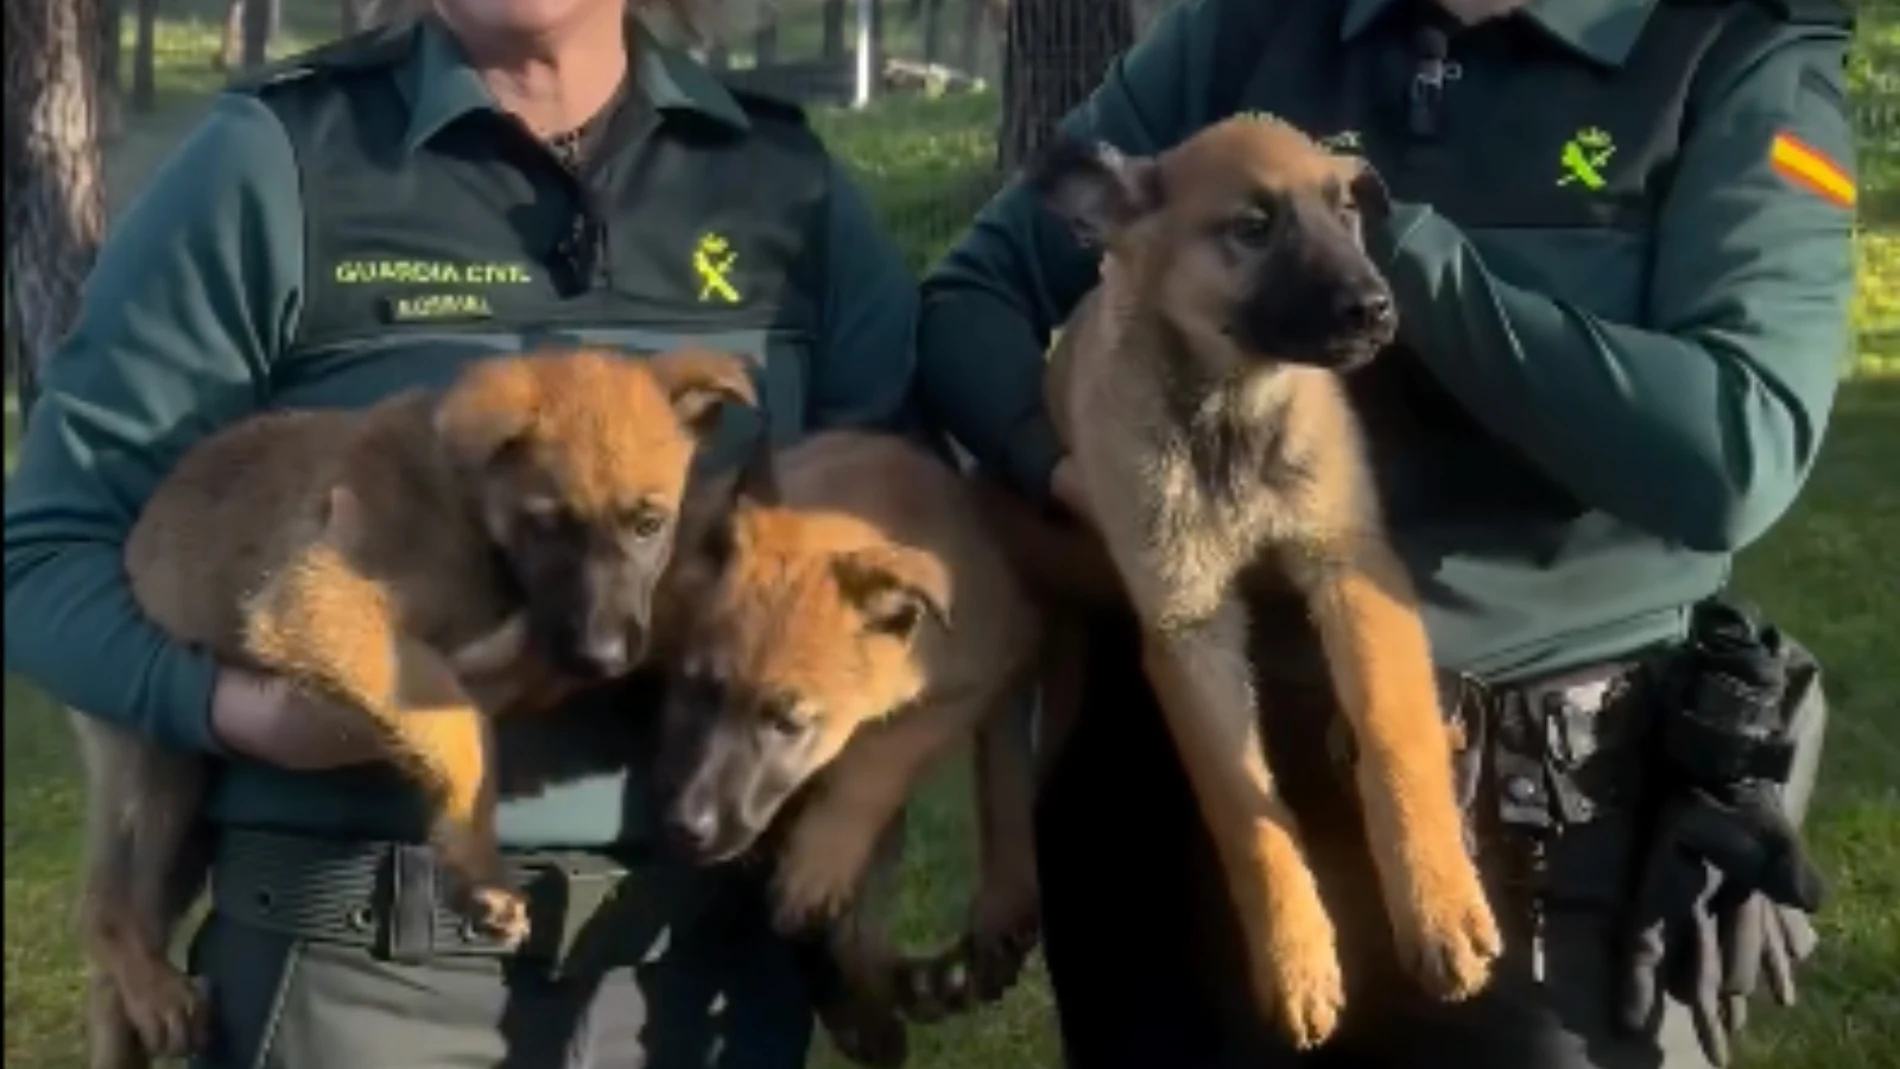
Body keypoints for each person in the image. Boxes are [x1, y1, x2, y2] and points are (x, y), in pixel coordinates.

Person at [913, 0, 1857, 1067]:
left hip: (1534, 826)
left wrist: (1397, 259)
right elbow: (969, 299)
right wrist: (1066, 468)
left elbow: (1732, 450)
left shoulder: (1731, 53)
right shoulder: (1241, 35)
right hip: (1182, 814)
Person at [2, 0, 922, 1064]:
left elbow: (903, 541)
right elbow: (42, 556)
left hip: (704, 981)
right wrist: (241, 713)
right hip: (368, 974)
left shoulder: (778, 181)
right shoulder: (279, 163)